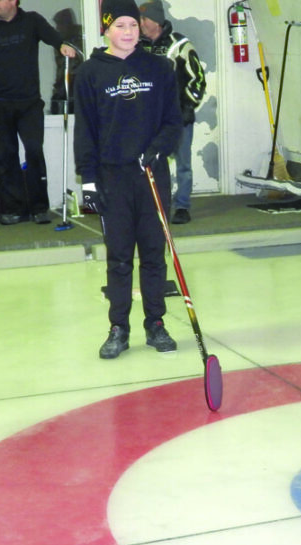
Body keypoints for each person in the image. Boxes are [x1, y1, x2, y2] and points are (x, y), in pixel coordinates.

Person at [74, 0, 182, 359]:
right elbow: (85, 131)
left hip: (151, 176)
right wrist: (88, 181)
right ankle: (118, 327)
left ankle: (156, 324)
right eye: (120, 25)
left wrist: (158, 148)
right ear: (107, 29)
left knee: (153, 253)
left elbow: (173, 121)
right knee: (119, 258)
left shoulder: (160, 68)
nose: (128, 32)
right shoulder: (91, 73)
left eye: (133, 25)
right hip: (111, 179)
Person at [0, 0, 78, 226]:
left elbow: (53, 38)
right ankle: (13, 209)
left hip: (28, 104)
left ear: (14, 2)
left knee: (34, 151)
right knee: (5, 156)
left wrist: (62, 45)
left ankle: (39, 208)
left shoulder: (32, 21)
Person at [138, 0, 205, 225]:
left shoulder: (180, 45)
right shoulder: (136, 46)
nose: (140, 23)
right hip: (149, 120)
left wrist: (187, 108)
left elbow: (198, 80)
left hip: (178, 118)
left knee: (183, 164)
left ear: (156, 21)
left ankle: (182, 207)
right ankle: (154, 205)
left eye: (144, 19)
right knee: (153, 163)